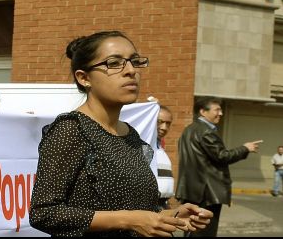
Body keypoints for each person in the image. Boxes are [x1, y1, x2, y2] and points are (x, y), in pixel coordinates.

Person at [29, 31, 213, 237]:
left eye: (134, 61)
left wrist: (171, 216)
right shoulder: (71, 129)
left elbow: (138, 211)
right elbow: (43, 213)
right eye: (114, 63)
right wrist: (129, 220)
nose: (131, 70)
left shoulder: (130, 134)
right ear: (84, 78)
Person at [175, 97, 262, 237]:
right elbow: (222, 156)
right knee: (204, 231)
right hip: (207, 192)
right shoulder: (206, 131)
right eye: (217, 110)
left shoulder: (189, 130)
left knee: (192, 230)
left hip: (193, 190)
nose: (220, 113)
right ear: (203, 112)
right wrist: (245, 148)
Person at [155, 104, 175, 209]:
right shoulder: (142, 147)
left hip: (163, 204)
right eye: (160, 122)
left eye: (168, 123)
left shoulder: (159, 147)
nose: (164, 127)